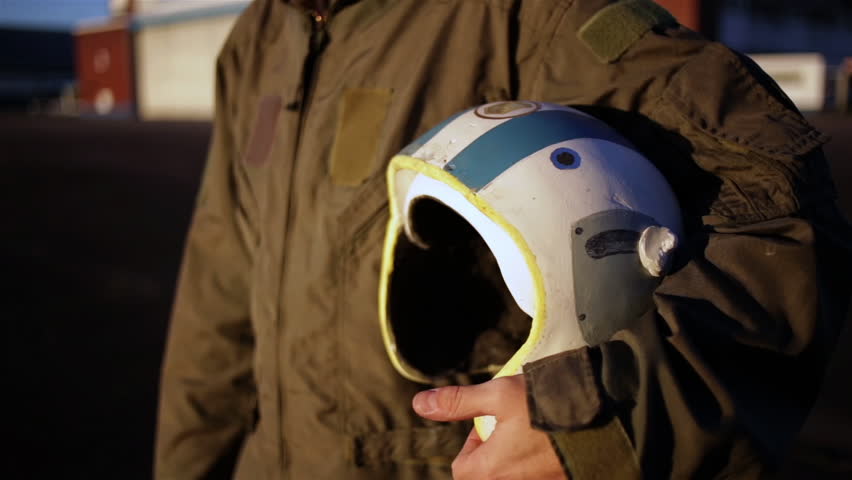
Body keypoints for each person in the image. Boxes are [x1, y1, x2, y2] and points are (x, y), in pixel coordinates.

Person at [154, 0, 852, 479]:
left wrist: (604, 418)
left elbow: (775, 192)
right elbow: (216, 299)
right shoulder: (253, 45)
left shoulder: (520, 15)